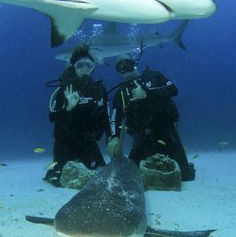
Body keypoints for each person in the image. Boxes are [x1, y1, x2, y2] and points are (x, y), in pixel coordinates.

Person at [107, 54, 195, 181]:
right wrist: (114, 137)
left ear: (134, 64)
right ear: (118, 72)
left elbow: (173, 90)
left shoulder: (154, 76)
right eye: (121, 68)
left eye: (128, 64)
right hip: (142, 137)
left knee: (186, 175)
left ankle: (178, 156)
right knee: (132, 176)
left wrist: (147, 93)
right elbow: (115, 118)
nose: (125, 69)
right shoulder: (120, 94)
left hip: (167, 132)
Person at [44, 45, 111, 187]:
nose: (85, 69)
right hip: (64, 142)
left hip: (87, 141)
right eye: (80, 65)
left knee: (101, 174)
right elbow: (53, 118)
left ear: (93, 68)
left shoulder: (98, 90)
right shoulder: (63, 89)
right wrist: (69, 107)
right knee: (58, 178)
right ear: (74, 66)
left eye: (89, 65)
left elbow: (105, 116)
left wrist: (112, 138)